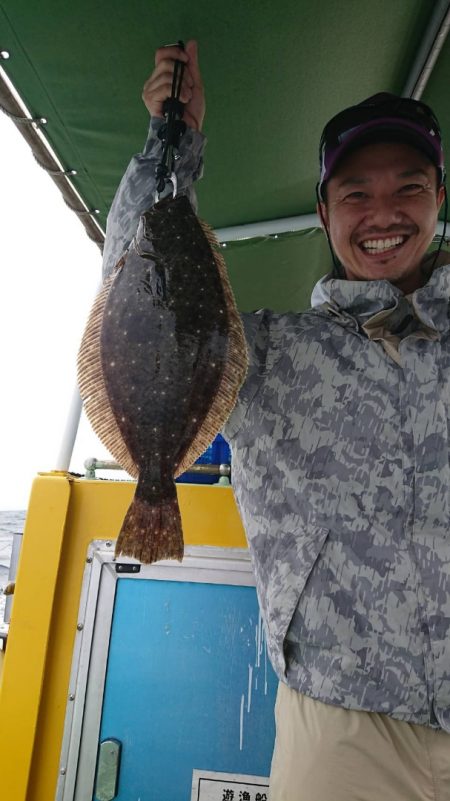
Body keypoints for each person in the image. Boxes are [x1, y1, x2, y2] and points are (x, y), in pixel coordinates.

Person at [103, 41, 450, 801]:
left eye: (409, 187)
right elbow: (135, 280)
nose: (383, 213)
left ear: (439, 198)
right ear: (324, 212)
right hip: (341, 728)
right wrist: (171, 142)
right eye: (355, 193)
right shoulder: (263, 353)